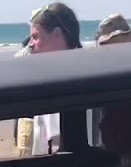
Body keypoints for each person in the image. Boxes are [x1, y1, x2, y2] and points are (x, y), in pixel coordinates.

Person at [26, 3, 82, 156]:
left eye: (36, 37)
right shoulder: (50, 77)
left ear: (57, 34)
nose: (31, 44)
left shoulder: (73, 80)